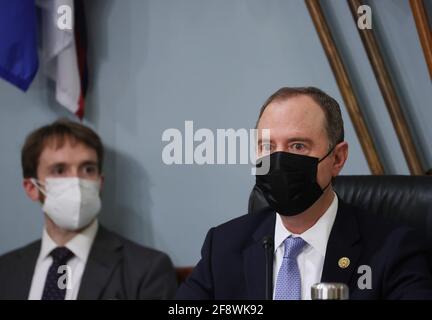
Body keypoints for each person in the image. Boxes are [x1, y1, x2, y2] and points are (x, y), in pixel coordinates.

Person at [176, 86, 432, 300]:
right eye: (267, 146)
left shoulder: (393, 249)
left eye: (298, 146)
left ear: (338, 158)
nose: (278, 161)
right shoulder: (223, 246)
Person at [0, 119, 177, 300]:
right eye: (59, 170)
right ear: (32, 188)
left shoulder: (145, 270)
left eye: (88, 169)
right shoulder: (5, 271)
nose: (76, 181)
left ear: (100, 183)